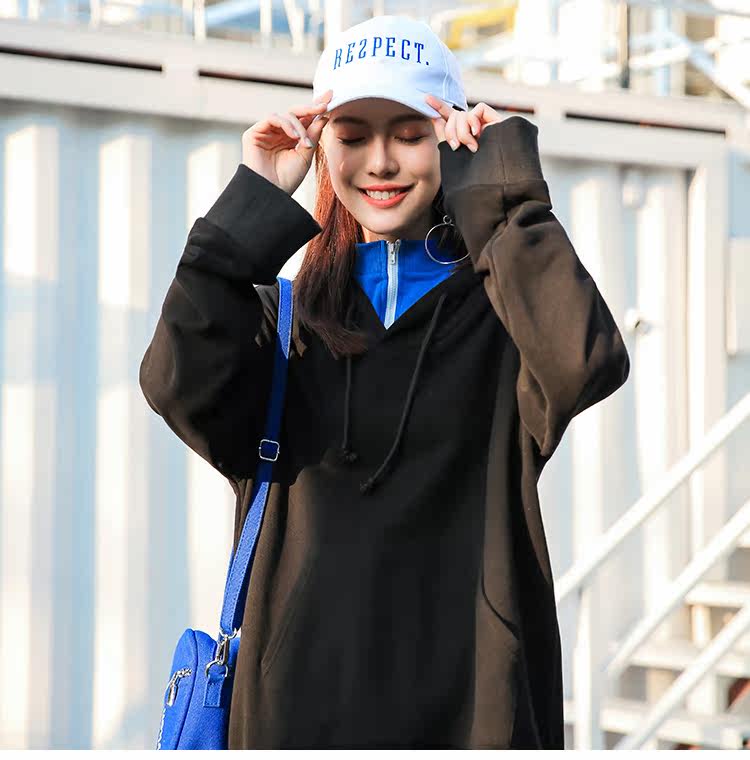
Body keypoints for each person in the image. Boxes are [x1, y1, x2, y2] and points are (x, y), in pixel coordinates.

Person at [139, 14, 630, 750]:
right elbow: (174, 382)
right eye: (353, 135)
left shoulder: (507, 314)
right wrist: (252, 204)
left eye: (409, 133)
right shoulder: (281, 322)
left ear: (450, 138)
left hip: (473, 715)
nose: (381, 162)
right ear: (322, 146)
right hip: (294, 714)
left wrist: (502, 193)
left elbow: (586, 360)